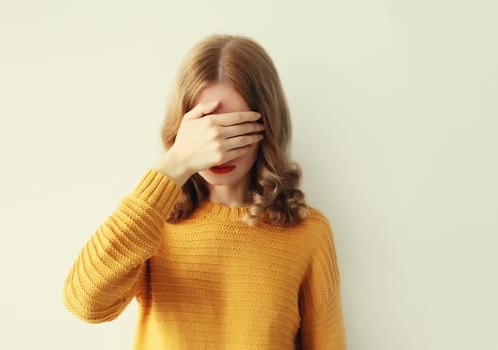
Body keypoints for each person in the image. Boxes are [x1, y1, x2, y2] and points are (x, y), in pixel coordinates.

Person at [62, 33, 347, 349]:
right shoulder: (152, 225)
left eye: (235, 129)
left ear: (266, 125)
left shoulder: (308, 233)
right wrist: (175, 165)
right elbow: (85, 302)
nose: (219, 149)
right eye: (206, 128)